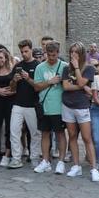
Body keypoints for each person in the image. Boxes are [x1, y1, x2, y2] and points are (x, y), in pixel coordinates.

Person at [26, 41, 67, 173]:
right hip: (45, 106)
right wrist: (50, 82)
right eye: (49, 55)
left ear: (58, 53)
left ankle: (61, 161)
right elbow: (36, 87)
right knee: (45, 134)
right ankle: (45, 161)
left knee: (60, 134)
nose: (51, 58)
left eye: (54, 55)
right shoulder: (40, 67)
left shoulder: (64, 66)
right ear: (46, 54)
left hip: (59, 106)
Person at [61, 43, 99, 180]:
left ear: (82, 54)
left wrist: (77, 68)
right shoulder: (66, 68)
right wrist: (82, 88)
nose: (73, 55)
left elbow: (82, 82)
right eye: (72, 52)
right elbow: (65, 87)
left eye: (76, 52)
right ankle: (76, 166)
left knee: (87, 138)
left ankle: (94, 168)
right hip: (67, 105)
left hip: (82, 106)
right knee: (71, 136)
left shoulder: (89, 68)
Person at [8, 39, 41, 168]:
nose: (24, 54)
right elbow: (11, 87)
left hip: (32, 104)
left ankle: (34, 157)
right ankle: (16, 158)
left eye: (26, 51)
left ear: (31, 50)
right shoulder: (17, 66)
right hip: (18, 104)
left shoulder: (38, 66)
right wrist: (15, 80)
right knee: (14, 131)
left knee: (35, 133)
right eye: (22, 52)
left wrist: (28, 78)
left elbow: (39, 86)